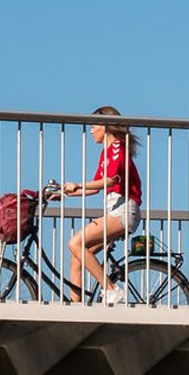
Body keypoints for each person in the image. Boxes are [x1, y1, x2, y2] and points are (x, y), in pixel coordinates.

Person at [44, 106, 142, 305]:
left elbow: (111, 180)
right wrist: (64, 192)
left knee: (75, 243)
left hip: (123, 212)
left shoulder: (117, 148)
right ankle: (76, 308)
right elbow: (94, 187)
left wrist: (78, 184)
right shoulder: (106, 152)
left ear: (106, 127)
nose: (90, 130)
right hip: (115, 211)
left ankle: (112, 289)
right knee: (77, 257)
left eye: (94, 125)